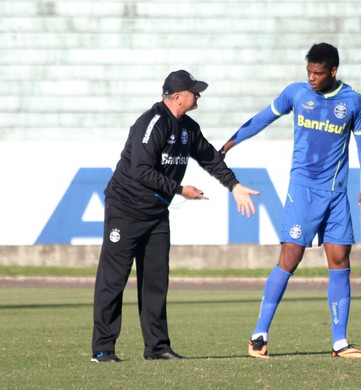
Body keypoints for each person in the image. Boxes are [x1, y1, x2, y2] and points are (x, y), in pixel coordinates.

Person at [91, 70, 260, 363]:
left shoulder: (188, 128)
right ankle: (103, 349)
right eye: (195, 92)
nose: (198, 96)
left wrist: (234, 185)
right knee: (113, 280)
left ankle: (157, 348)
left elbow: (210, 157)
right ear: (178, 96)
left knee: (155, 280)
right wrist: (180, 189)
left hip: (156, 213)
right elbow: (140, 171)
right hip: (125, 209)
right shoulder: (152, 123)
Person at [219, 43, 361, 359]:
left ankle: (339, 343)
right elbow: (262, 117)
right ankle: (258, 337)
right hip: (302, 191)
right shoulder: (297, 94)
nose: (312, 78)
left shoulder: (353, 102)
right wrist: (231, 143)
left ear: (333, 71)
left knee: (340, 261)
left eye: (318, 73)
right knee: (290, 257)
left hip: (336, 194)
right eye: (309, 72)